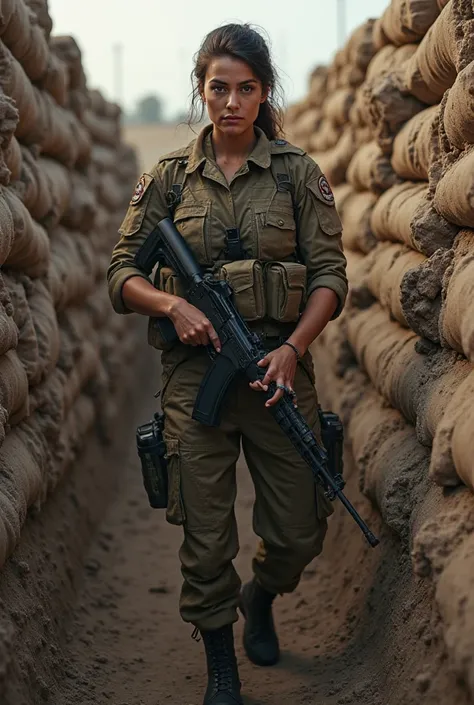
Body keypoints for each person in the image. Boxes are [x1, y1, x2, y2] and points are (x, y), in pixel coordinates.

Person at [107, 23, 347, 705]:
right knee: (205, 535)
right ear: (202, 91)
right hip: (196, 374)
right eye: (219, 88)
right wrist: (173, 306)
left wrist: (293, 346)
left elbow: (331, 275)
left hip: (275, 370)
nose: (232, 101)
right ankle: (221, 665)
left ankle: (263, 594)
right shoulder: (169, 178)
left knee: (300, 529)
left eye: (246, 88)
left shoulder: (298, 174)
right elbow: (120, 270)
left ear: (263, 92)